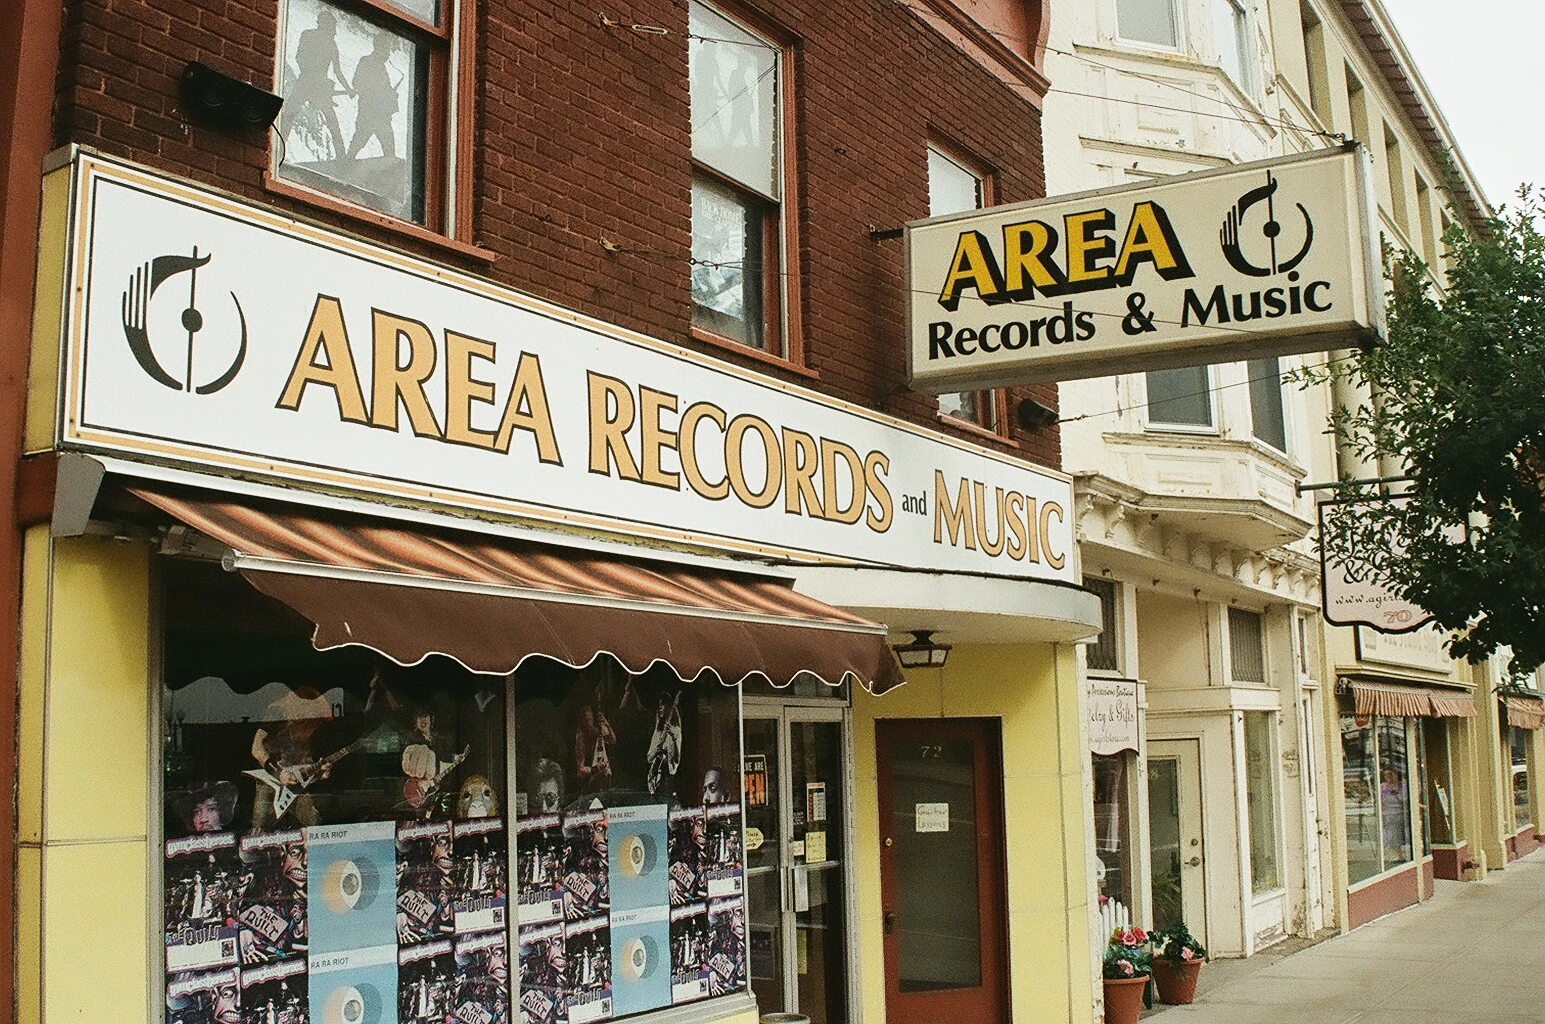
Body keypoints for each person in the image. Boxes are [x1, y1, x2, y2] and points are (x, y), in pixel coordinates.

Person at [282, 9, 352, 161]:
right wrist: (311, 74)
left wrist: (348, 89)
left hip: (315, 84)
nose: (333, 31)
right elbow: (300, 57)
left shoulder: (329, 43)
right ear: (324, 25)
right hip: (308, 81)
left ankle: (342, 157)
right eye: (331, 26)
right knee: (290, 113)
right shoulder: (309, 36)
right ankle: (280, 147)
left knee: (331, 121)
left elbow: (337, 71)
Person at [347, 33, 400, 161]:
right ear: (378, 47)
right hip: (369, 113)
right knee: (359, 140)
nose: (388, 53)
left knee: (389, 148)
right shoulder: (366, 61)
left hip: (382, 114)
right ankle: (346, 163)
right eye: (386, 49)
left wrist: (391, 94)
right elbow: (357, 82)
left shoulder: (382, 67)